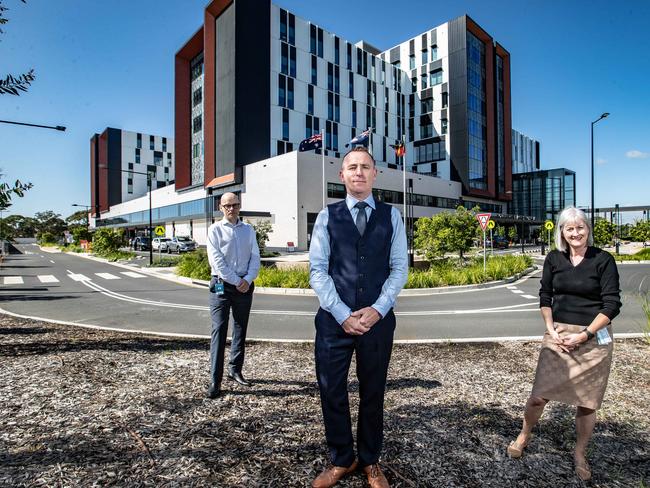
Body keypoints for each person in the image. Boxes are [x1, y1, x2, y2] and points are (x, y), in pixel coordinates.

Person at [309, 147, 408, 488]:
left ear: (375, 174)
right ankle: (341, 458)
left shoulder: (391, 216)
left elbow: (399, 269)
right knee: (331, 390)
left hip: (377, 323)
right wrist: (342, 313)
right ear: (342, 175)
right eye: (352, 167)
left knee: (373, 392)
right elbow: (317, 271)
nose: (359, 172)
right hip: (333, 323)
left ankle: (369, 460)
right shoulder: (327, 216)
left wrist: (378, 308)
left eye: (365, 167)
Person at [508, 206, 622, 481]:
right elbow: (545, 295)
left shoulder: (603, 260)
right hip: (558, 334)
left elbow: (612, 304)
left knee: (587, 402)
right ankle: (524, 435)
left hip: (594, 337)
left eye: (580, 227)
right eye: (569, 228)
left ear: (588, 229)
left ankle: (580, 452)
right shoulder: (554, 259)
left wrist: (584, 334)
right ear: (562, 232)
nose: (575, 232)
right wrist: (551, 329)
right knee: (538, 396)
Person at [206, 192, 260, 399]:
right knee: (219, 329)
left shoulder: (248, 230)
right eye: (227, 205)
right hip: (221, 285)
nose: (231, 208)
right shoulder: (215, 230)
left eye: (235, 205)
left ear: (239, 206)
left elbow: (255, 256)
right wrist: (238, 282)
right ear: (221, 208)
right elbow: (217, 262)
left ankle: (235, 369)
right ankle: (215, 379)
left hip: (244, 285)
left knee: (240, 327)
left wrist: (248, 279)